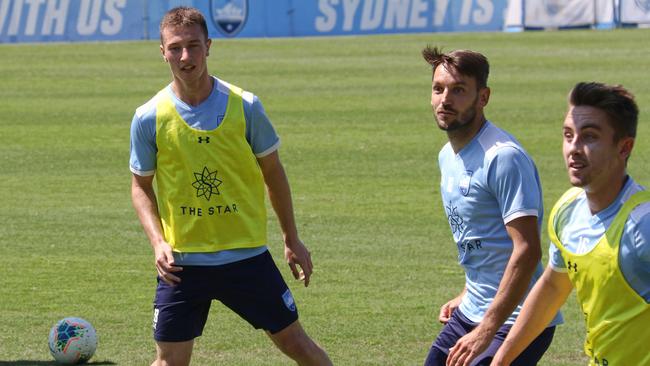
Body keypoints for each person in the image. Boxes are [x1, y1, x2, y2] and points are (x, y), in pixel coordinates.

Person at [129, 7, 332, 366]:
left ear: (209, 46)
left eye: (193, 46)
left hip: (247, 258)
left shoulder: (246, 106)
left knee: (300, 348)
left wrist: (291, 238)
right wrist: (158, 242)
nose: (185, 56)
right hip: (182, 263)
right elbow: (140, 186)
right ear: (162, 52)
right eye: (175, 48)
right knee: (168, 362)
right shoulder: (149, 116)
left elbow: (273, 172)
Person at [421, 46, 562, 366]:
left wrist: (487, 328)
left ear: (482, 97)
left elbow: (527, 251)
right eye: (438, 89)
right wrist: (468, 293)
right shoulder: (448, 156)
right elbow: (484, 240)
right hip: (474, 309)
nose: (445, 99)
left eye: (459, 90)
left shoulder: (503, 158)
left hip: (518, 321)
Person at [491, 82, 650, 366]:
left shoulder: (642, 226)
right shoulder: (568, 210)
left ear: (624, 147)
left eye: (589, 137)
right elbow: (553, 287)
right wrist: (501, 359)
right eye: (568, 135)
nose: (573, 148)